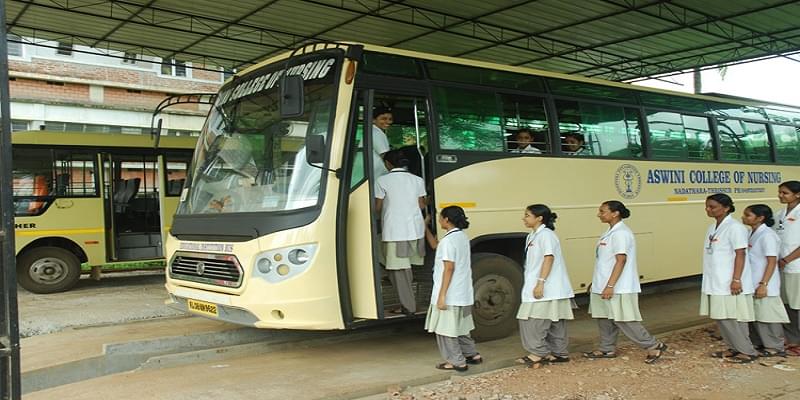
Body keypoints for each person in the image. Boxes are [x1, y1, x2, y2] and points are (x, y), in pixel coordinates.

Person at [583, 200, 667, 364]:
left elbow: (621, 260)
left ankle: (653, 345)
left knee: (624, 319)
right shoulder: (609, 231)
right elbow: (604, 261)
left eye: (602, 211)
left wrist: (610, 285)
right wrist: (597, 283)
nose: (599, 214)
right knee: (604, 318)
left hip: (618, 286)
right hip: (603, 284)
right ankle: (607, 348)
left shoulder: (621, 233)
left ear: (615, 213)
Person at [700, 193, 759, 363]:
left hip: (730, 282)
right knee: (721, 317)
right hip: (716, 280)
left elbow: (740, 254)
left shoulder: (735, 228)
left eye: (712, 206)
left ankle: (747, 351)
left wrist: (736, 279)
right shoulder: (713, 228)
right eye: (707, 206)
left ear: (726, 208)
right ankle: (734, 348)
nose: (708, 209)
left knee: (732, 318)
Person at [423, 206, 481, 371]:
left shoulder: (449, 241)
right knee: (462, 328)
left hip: (451, 293)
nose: (440, 220)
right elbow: (435, 245)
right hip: (463, 293)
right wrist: (424, 227)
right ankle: (472, 354)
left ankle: (456, 361)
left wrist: (442, 296)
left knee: (445, 330)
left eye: (441, 217)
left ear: (446, 220)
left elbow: (449, 267)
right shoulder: (461, 237)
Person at [516, 204, 574, 367]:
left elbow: (549, 258)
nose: (524, 218)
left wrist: (540, 283)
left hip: (547, 287)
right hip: (543, 287)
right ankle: (559, 353)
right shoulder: (532, 236)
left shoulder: (547, 235)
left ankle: (537, 353)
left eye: (527, 215)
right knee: (554, 322)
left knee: (533, 321)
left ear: (539, 218)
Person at [374, 149, 427, 315]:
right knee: (405, 269)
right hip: (415, 231)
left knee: (398, 270)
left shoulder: (382, 180)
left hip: (395, 231)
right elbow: (421, 205)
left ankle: (408, 306)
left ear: (388, 164)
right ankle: (408, 302)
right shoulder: (417, 180)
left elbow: (378, 207)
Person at [743, 204, 789, 357]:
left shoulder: (768, 235)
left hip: (765, 282)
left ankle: (775, 346)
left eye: (748, 215)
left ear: (760, 218)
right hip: (753, 281)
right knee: (758, 315)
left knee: (769, 316)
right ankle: (762, 343)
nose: (743, 217)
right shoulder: (752, 233)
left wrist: (764, 284)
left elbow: (771, 261)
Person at [775, 180, 800, 356]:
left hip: (795, 267)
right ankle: (793, 340)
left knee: (797, 305)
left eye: (785, 193)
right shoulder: (779, 214)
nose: (781, 196)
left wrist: (787, 260)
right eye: (780, 192)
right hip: (782, 267)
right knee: (787, 305)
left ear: (797, 194)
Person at [371, 107, 393, 179]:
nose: (388, 122)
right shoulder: (377, 133)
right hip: (376, 176)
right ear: (373, 120)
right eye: (383, 119)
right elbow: (386, 156)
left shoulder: (372, 131)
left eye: (390, 119)